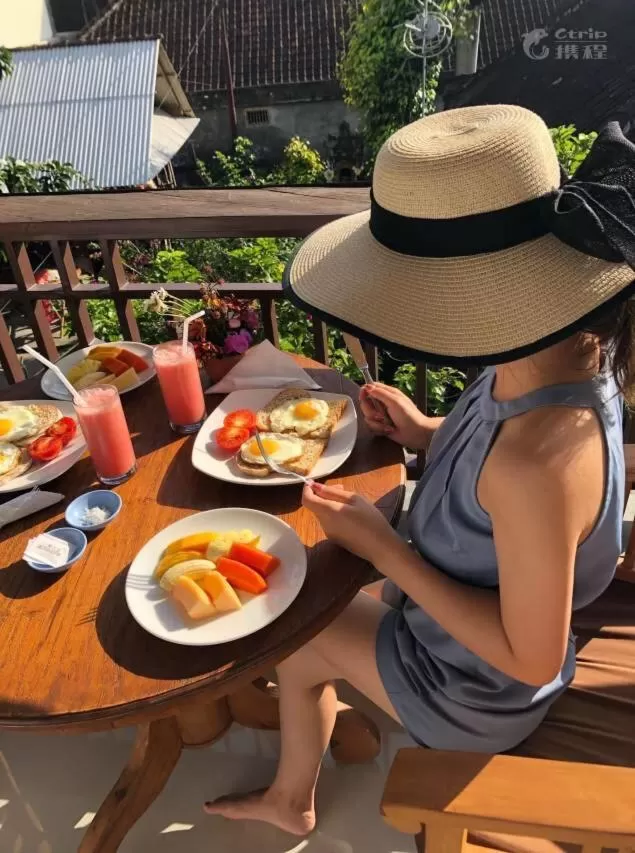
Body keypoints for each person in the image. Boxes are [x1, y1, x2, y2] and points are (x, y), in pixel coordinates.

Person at [205, 105, 635, 835]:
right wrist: (426, 431)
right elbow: (494, 483)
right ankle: (320, 739)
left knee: (297, 628)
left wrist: (384, 550)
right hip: (462, 618)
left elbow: (528, 658)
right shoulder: (552, 361)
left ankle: (290, 800)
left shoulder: (537, 457)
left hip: (478, 691)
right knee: (318, 584)